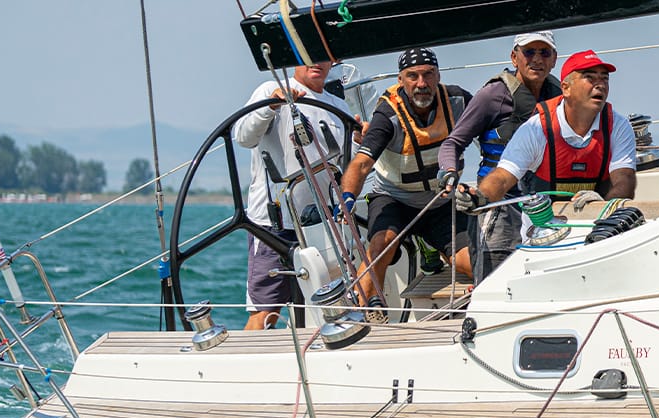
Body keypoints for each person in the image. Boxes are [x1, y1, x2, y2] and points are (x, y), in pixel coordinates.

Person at [339, 47, 473, 319]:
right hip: (394, 199)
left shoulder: (459, 100)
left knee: (470, 263)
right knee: (380, 245)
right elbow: (362, 163)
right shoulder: (387, 116)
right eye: (413, 76)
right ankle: (368, 308)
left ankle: (430, 245)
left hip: (441, 201)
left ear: (438, 76)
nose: (421, 83)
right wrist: (348, 198)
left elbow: (492, 133)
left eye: (428, 75)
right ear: (401, 80)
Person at [234, 62, 355, 330]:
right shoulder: (270, 89)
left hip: (322, 223)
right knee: (266, 309)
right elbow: (242, 136)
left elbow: (350, 161)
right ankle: (246, 363)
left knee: (327, 302)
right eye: (306, 56)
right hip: (274, 223)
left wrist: (361, 136)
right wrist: (271, 105)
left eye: (321, 56)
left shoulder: (339, 106)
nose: (315, 62)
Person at [438, 31, 562, 283]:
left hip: (545, 202)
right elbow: (454, 142)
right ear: (514, 57)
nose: (536, 59)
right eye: (529, 52)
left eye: (544, 52)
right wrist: (449, 172)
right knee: (497, 281)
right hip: (499, 205)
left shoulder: (560, 95)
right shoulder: (493, 96)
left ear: (554, 59)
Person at [477, 49, 636, 238]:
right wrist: (479, 198)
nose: (600, 85)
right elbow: (502, 178)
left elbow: (624, 180)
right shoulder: (536, 129)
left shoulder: (617, 126)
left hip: (600, 231)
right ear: (566, 88)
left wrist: (602, 203)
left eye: (604, 78)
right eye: (590, 78)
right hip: (542, 237)